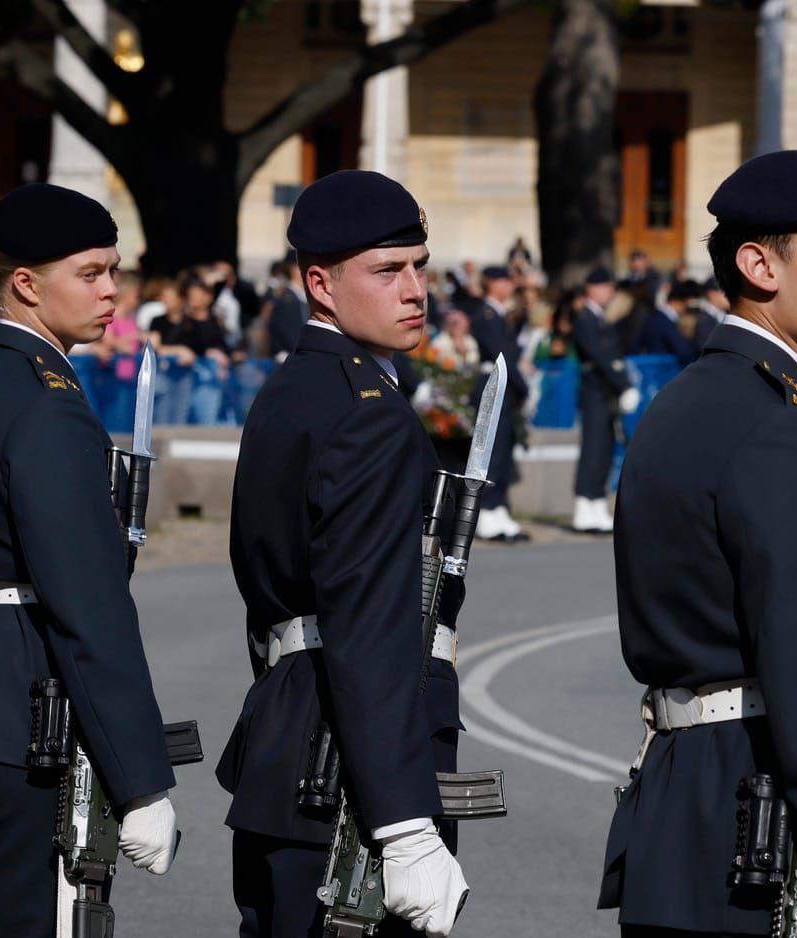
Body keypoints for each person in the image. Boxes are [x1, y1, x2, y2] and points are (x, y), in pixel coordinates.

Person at [598, 150, 797, 938]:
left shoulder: (686, 403)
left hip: (678, 818)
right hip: (753, 830)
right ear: (758, 264)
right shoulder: (778, 429)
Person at [0, 184, 179, 937]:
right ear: (26, 284)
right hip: (22, 711)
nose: (111, 290)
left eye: (113, 270)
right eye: (90, 272)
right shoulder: (49, 402)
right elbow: (87, 605)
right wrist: (143, 780)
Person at [219, 170, 469, 938]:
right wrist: (403, 823)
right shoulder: (370, 416)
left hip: (288, 736)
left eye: (420, 267)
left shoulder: (295, 390)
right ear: (321, 284)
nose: (415, 289)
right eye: (388, 271)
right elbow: (367, 623)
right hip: (352, 766)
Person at [572, 267, 640, 533]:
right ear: (591, 288)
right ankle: (584, 506)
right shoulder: (586, 318)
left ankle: (596, 503)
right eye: (604, 287)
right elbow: (600, 356)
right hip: (595, 390)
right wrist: (622, 384)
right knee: (593, 448)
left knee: (604, 447)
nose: (609, 292)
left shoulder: (599, 318)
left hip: (604, 391)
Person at [470, 266, 529, 543]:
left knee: (503, 449)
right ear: (492, 283)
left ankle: (499, 508)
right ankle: (486, 512)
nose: (510, 286)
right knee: (491, 452)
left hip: (506, 385)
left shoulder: (500, 313)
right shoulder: (487, 314)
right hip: (492, 382)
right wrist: (523, 385)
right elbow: (501, 355)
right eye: (505, 280)